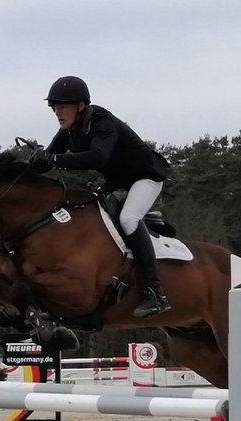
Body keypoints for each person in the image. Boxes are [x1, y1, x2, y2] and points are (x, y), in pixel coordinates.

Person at [27, 75, 172, 318]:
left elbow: (98, 157)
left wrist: (54, 159)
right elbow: (49, 159)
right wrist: (32, 164)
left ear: (80, 105)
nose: (58, 112)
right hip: (118, 181)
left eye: (63, 106)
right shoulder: (69, 129)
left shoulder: (102, 122)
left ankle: (156, 292)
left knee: (128, 219)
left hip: (145, 176)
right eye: (55, 107)